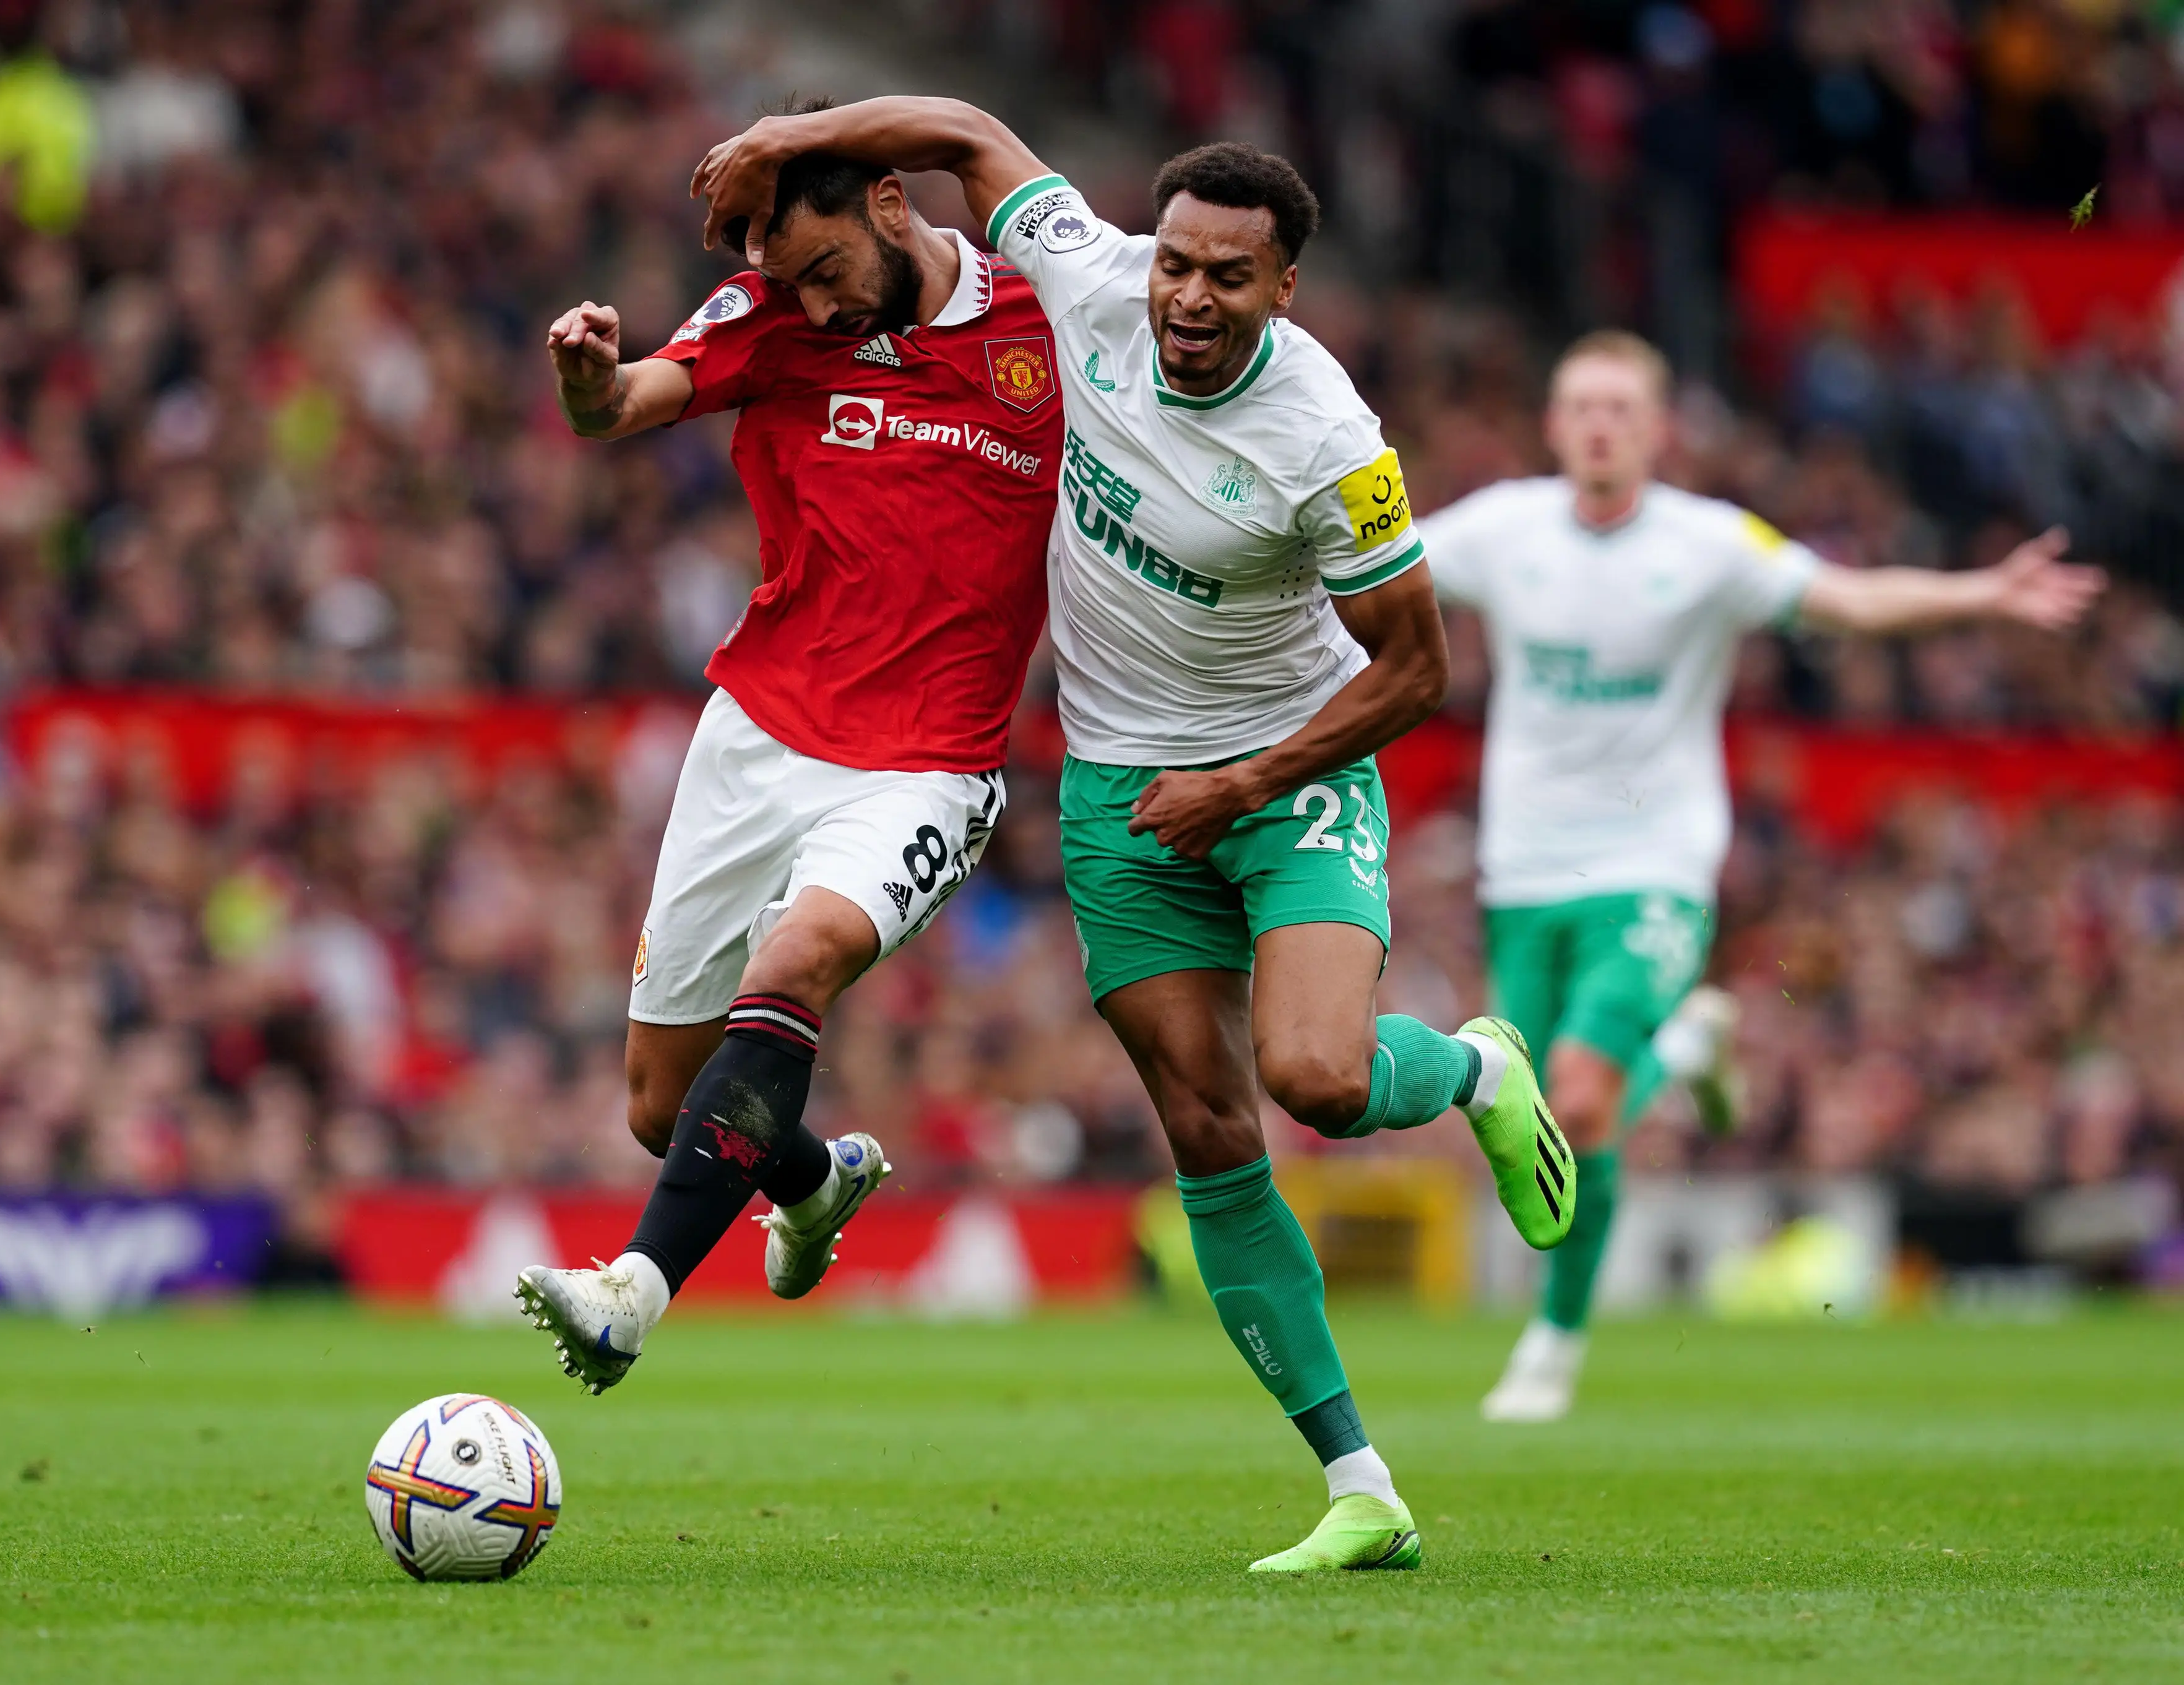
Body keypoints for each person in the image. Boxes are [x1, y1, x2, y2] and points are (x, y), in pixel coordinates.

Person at [695, 98, 1578, 1575]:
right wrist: (798, 140)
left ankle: (1479, 1068)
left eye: (1229, 276)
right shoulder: (1089, 277)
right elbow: (966, 131)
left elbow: (1417, 671)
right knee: (1213, 1134)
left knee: (1318, 1079)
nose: (1188, 296)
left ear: (1284, 287)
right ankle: (1361, 1484)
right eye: (1178, 262)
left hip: (1283, 777)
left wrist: (1241, 787)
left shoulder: (1331, 441)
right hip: (1118, 793)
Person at [1418, 329, 2105, 1423]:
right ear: (1554, 427)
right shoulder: (1503, 531)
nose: (1599, 425)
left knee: (1584, 1102)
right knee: (1535, 1120)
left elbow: (1850, 599)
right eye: (1581, 407)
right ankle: (1689, 1046)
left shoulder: (1706, 544)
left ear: (1656, 431)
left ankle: (1553, 1341)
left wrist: (1986, 593)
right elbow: (1368, 565)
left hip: (1653, 864)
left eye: (1620, 409)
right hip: (1525, 868)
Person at [513, 145, 1064, 1400]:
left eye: (824, 271)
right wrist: (586, 380)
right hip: (757, 737)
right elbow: (624, 406)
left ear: (887, 203)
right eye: (790, 282)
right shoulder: (767, 317)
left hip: (927, 763)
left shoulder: (1045, 321)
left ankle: (629, 1295)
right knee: (668, 1105)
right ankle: (818, 1184)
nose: (814, 305)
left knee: (796, 961)